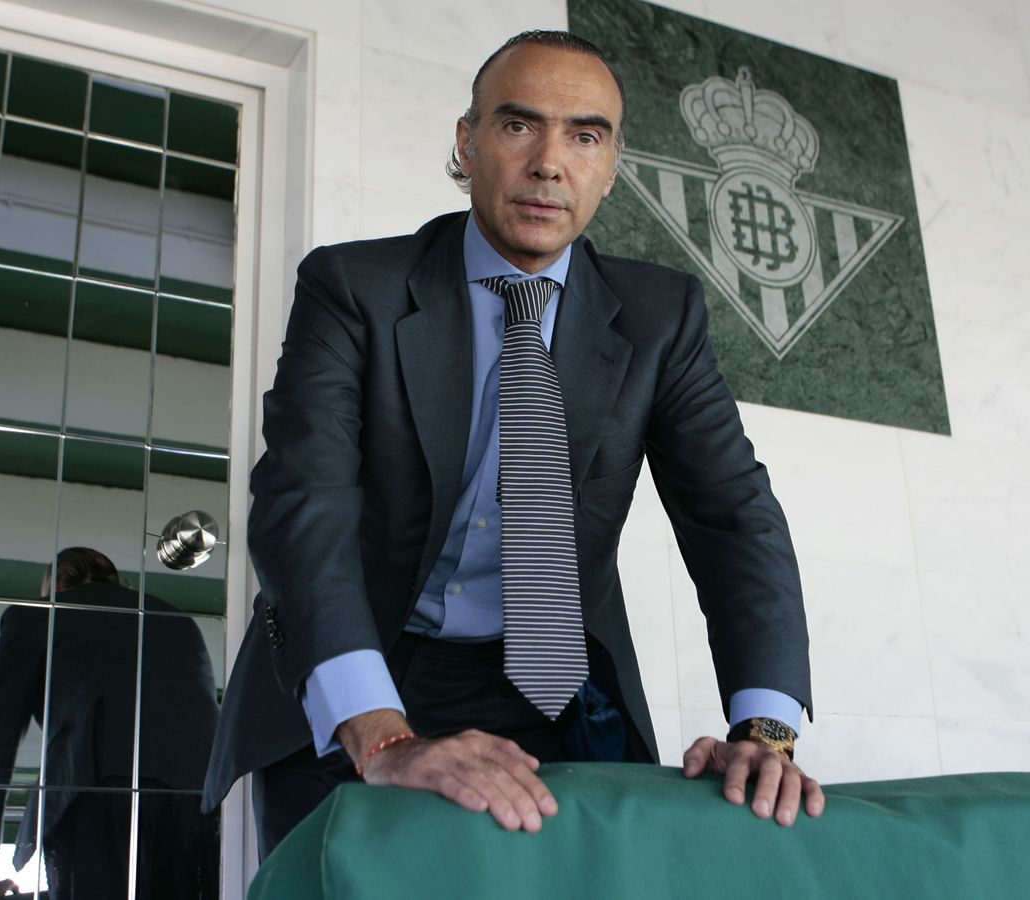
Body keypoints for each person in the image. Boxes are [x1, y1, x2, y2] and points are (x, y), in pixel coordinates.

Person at [204, 30, 824, 857]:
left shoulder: (660, 317)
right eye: (518, 125)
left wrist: (765, 732)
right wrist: (381, 734)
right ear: (468, 143)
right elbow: (302, 504)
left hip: (554, 684)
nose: (549, 163)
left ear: (612, 166)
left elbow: (734, 516)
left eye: (585, 136)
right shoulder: (354, 288)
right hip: (368, 663)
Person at [0, 548, 221, 899]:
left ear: (56, 587)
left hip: (97, 790)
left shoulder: (40, 615)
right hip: (200, 798)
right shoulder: (177, 620)